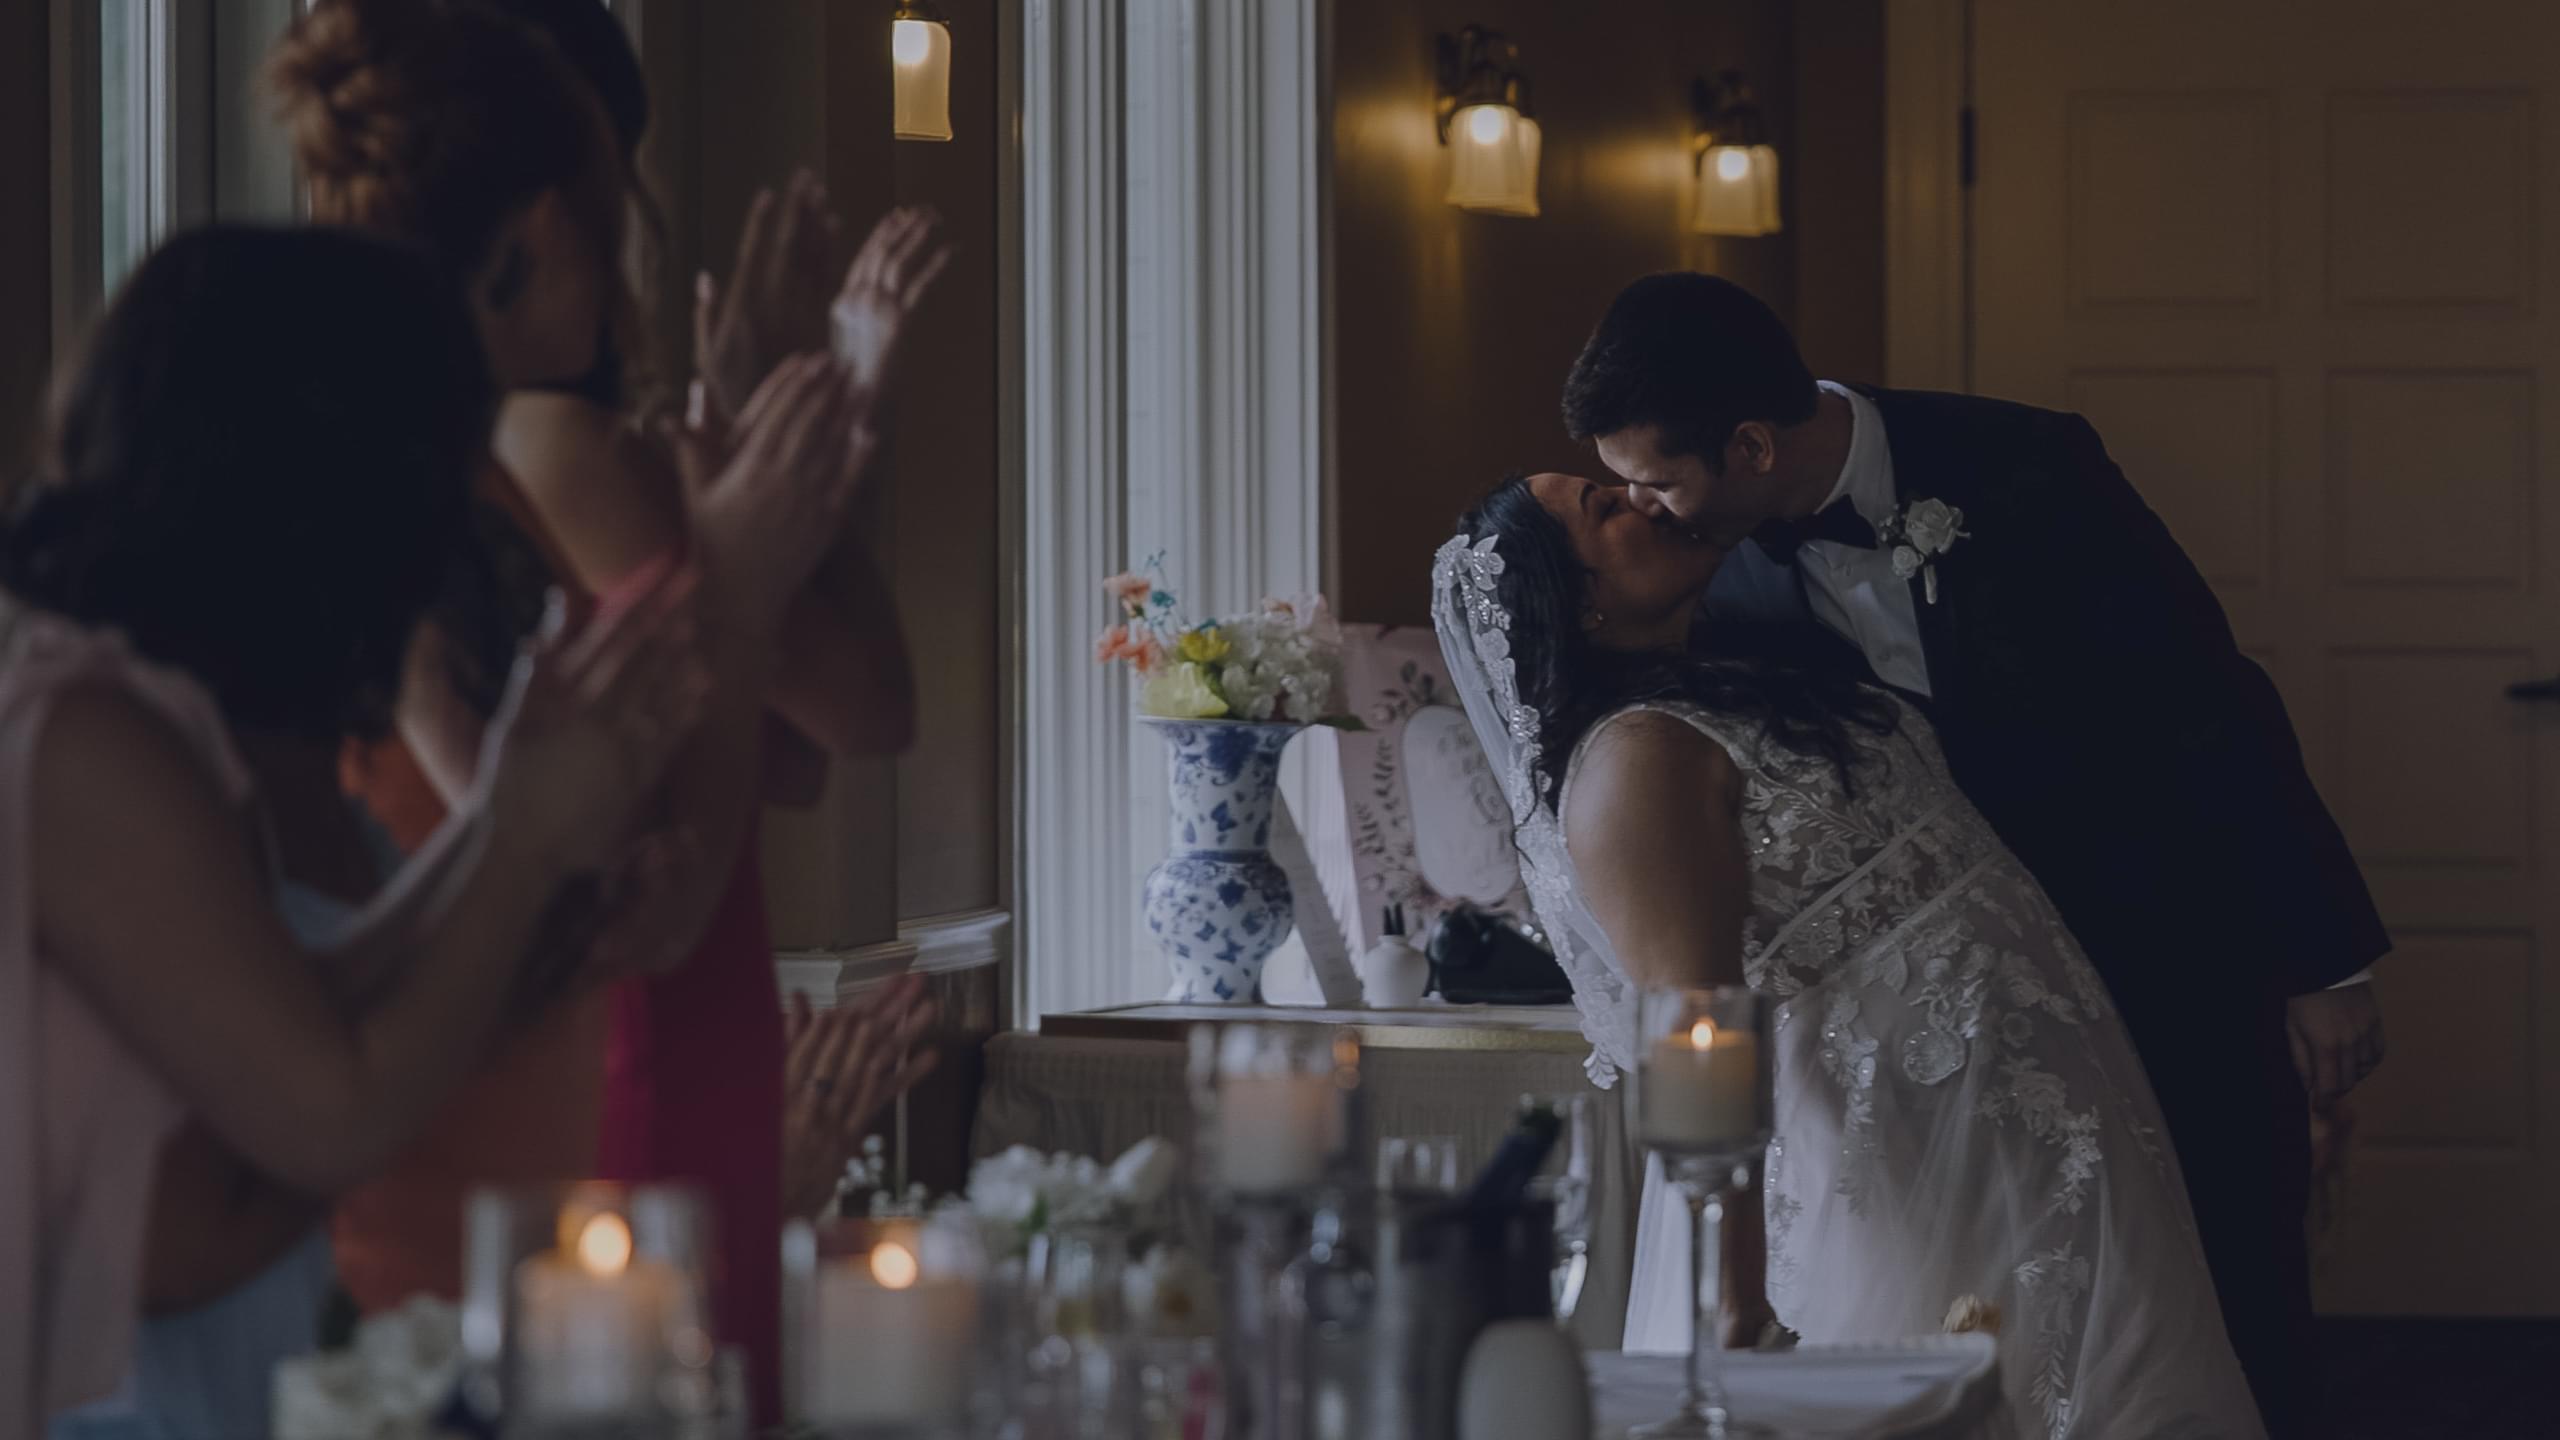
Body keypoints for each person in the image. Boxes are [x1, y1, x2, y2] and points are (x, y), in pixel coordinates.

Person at [1559, 273, 2387, 1436]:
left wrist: (2322, 957)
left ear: (1750, 443)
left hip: (2164, 947)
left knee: (2226, 1304)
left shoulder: (2032, 465)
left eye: (1655, 478)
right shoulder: (1715, 579)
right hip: (1962, 1049)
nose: (1646, 509)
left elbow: (2206, 696)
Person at [275, 1, 945, 1417]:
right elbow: (851, 722)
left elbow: (785, 756)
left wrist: (766, 473)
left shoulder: (378, 467)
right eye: (609, 199)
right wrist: (788, 460)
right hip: (608, 1085)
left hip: (505, 1110)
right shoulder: (555, 448)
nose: (633, 241)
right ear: (541, 229)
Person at [0, 223, 706, 1433]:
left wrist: (506, 828)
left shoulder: (127, 712)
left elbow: (304, 998)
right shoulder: (78, 732)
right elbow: (328, 1110)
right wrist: (521, 840)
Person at [1435, 473, 2267, 1438]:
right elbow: (1696, 1031)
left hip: (2038, 1115)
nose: (1643, 496)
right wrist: (1737, 1307)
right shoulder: (1630, 765)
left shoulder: (1752, 675)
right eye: (1603, 507)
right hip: (1908, 1161)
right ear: (1572, 595)